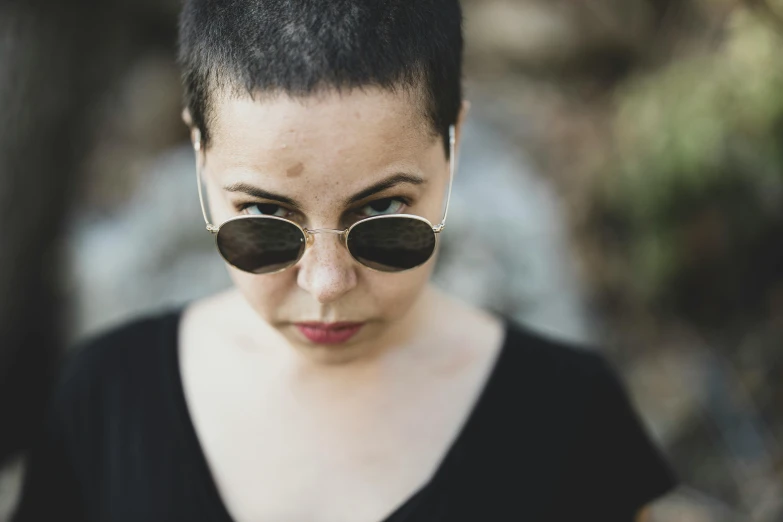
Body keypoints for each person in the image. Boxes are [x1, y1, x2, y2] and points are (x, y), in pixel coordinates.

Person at [13, 0, 678, 520]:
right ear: (198, 151)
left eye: (382, 216)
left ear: (453, 146)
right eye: (266, 220)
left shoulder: (570, 414)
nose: (326, 286)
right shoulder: (105, 396)